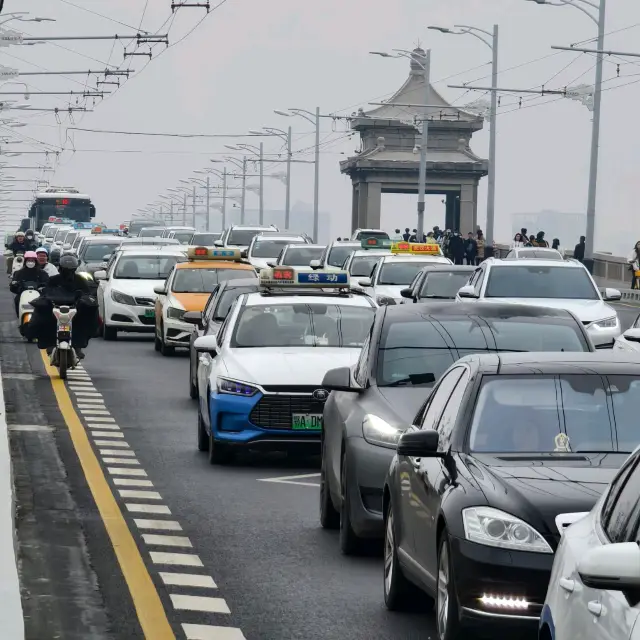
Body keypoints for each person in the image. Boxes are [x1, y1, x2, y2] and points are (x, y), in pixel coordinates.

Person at [28, 254, 98, 360]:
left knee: (86, 316)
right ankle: (49, 343)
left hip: (75, 309)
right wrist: (44, 297)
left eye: (70, 270)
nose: (68, 272)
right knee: (43, 316)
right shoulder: (53, 279)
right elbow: (46, 291)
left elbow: (88, 292)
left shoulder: (80, 280)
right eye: (66, 270)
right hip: (55, 308)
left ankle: (77, 345)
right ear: (60, 268)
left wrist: (86, 299)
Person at [9, 250, 49, 316]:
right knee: (17, 300)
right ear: (25, 261)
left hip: (39, 295)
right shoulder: (18, 273)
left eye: (32, 260)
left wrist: (43, 288)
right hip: (23, 295)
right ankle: (20, 317)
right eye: (29, 260)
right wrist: (14, 285)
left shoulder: (42, 273)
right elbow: (13, 287)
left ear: (35, 261)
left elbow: (47, 283)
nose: (30, 262)